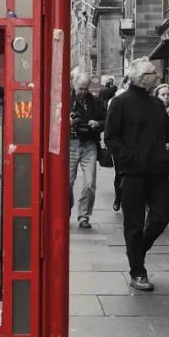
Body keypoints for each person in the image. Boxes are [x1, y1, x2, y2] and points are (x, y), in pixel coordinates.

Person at [104, 57, 169, 291]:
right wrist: (128, 158)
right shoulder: (120, 103)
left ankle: (137, 250)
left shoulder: (156, 104)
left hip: (157, 171)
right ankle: (138, 271)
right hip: (132, 174)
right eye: (153, 73)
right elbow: (111, 137)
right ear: (142, 78)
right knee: (133, 224)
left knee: (162, 216)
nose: (157, 76)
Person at [69, 73, 104, 230]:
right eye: (80, 88)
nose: (83, 92)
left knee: (89, 183)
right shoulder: (65, 100)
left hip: (89, 144)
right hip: (70, 144)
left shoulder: (96, 102)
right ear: (74, 84)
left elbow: (106, 120)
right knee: (67, 183)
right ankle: (65, 210)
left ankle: (84, 215)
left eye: (85, 89)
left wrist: (97, 124)